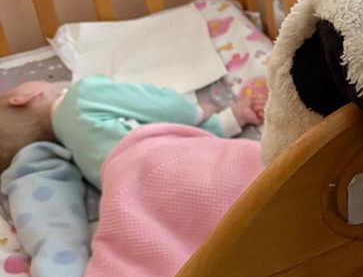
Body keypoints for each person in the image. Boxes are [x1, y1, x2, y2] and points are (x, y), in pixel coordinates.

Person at [0, 77, 265, 189]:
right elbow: (157, 105)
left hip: (148, 191)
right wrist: (195, 111)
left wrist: (230, 119)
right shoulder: (79, 96)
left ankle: (232, 121)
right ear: (22, 98)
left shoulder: (75, 150)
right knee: (256, 168)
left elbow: (158, 136)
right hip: (173, 163)